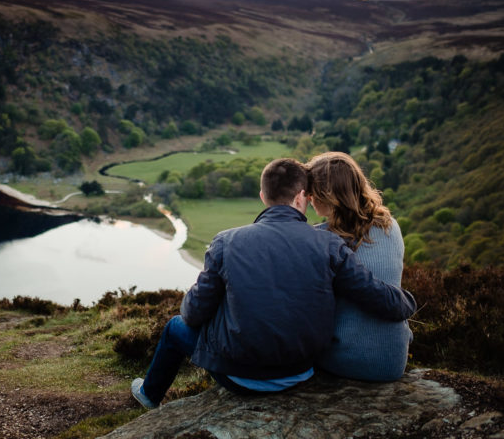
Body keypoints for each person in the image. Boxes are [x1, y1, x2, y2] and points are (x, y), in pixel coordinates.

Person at [131, 158, 417, 409]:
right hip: (300, 372)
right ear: (301, 197)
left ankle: (148, 395)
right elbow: (372, 293)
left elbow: (193, 314)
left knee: (174, 327)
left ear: (261, 195)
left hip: (237, 375)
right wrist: (409, 302)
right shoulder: (330, 244)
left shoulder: (226, 241)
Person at [307, 151, 413, 381]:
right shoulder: (390, 226)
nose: (309, 199)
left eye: (312, 192)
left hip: (348, 361)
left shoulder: (321, 238)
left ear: (326, 196)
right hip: (394, 361)